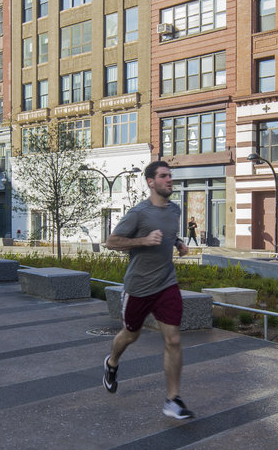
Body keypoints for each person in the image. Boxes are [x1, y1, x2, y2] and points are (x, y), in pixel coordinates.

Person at [102, 161, 195, 421]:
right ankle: (111, 363)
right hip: (139, 287)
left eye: (170, 176)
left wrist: (178, 243)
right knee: (131, 334)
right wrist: (143, 240)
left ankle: (172, 400)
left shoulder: (175, 210)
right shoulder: (138, 213)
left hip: (166, 283)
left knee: (173, 339)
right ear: (151, 182)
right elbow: (111, 242)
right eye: (163, 176)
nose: (169, 180)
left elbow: (169, 234)